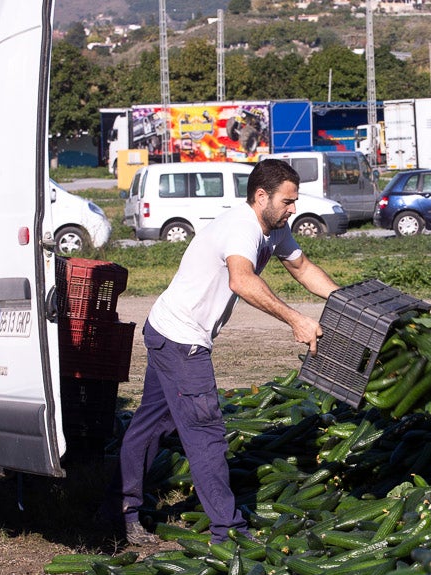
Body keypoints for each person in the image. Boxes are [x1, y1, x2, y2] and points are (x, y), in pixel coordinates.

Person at [106, 159, 340, 546]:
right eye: (287, 200)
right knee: (207, 434)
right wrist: (295, 319)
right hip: (182, 340)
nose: (293, 208)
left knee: (151, 424)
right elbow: (242, 280)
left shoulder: (274, 230)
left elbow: (303, 267)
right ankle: (227, 532)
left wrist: (345, 299)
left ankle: (122, 508)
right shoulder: (241, 228)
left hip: (166, 330)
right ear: (261, 196)